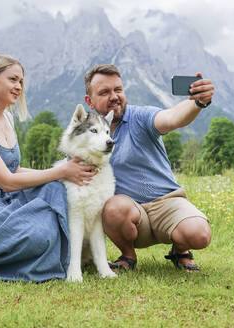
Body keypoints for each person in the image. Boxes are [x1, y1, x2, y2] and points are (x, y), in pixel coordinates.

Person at [0, 54, 96, 282]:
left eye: (21, 82)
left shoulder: (7, 118)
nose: (19, 87)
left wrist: (63, 172)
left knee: (58, 189)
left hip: (5, 198)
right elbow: (6, 180)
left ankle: (76, 257)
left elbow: (14, 169)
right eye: (13, 79)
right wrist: (62, 171)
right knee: (41, 234)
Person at [83, 64, 214, 272]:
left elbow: (172, 118)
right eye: (105, 92)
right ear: (89, 101)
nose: (114, 96)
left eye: (118, 90)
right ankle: (128, 256)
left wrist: (198, 103)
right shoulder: (86, 134)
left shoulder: (140, 117)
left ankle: (180, 251)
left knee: (199, 234)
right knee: (113, 207)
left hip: (167, 203)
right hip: (129, 212)